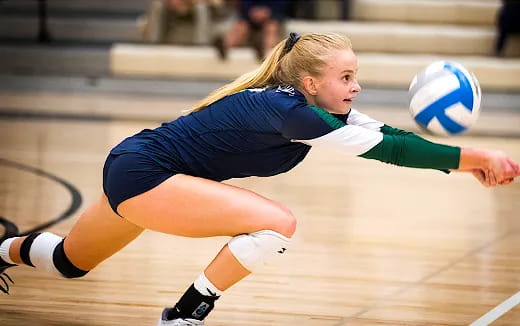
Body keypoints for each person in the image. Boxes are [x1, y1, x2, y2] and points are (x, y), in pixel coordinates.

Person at [1, 32, 519, 326]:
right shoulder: (293, 114)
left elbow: (394, 137)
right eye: (346, 77)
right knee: (276, 225)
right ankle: (182, 318)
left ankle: (3, 249)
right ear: (311, 83)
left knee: (70, 262)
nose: (356, 86)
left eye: (355, 76)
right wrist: (477, 157)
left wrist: (474, 160)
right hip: (146, 172)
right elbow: (395, 151)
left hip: (138, 167)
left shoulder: (313, 110)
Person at [214, 0, 290, 61]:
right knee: (241, 27)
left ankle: (267, 56)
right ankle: (225, 46)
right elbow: (244, 3)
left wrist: (268, 12)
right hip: (251, 16)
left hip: (273, 15)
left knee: (271, 28)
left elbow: (283, 4)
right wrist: (251, 11)